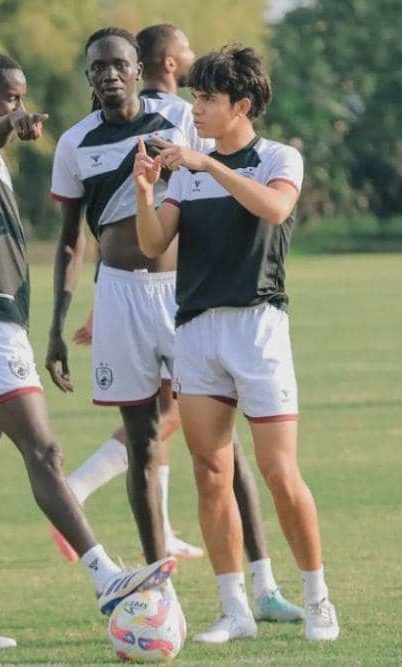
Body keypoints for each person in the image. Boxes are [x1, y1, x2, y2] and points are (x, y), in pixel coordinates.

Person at [50, 24, 303, 625]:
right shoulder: (75, 143)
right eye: (97, 67)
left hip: (181, 294)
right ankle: (158, 589)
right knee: (142, 441)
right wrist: (61, 323)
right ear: (88, 77)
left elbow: (215, 177)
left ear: (140, 68)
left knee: (224, 445)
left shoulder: (178, 117)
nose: (109, 74)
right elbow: (68, 242)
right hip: (117, 294)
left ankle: (261, 586)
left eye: (119, 63)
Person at [0, 49, 174, 651]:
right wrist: (6, 127)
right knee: (46, 450)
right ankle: (107, 579)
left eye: (22, 98)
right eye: (11, 97)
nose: (20, 106)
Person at [133, 45, 341, 643]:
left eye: (207, 99)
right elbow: (153, 245)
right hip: (197, 330)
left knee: (279, 472)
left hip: (258, 330)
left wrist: (208, 166)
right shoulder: (187, 173)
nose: (195, 108)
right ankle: (233, 609)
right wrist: (150, 191)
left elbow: (275, 208)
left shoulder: (279, 157)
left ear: (242, 105)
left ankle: (316, 596)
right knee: (209, 471)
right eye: (195, 97)